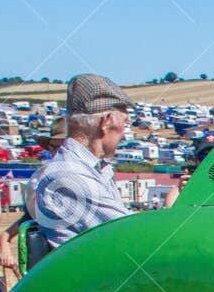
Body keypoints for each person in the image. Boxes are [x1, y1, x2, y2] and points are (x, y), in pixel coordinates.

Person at [28, 74, 134, 253]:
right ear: (106, 122)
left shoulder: (92, 170)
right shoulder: (68, 177)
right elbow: (131, 234)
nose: (125, 133)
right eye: (125, 122)